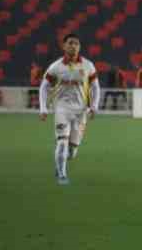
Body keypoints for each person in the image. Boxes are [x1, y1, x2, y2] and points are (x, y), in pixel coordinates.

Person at [39, 34, 99, 185]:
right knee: (62, 143)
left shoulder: (88, 65)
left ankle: (61, 162)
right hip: (62, 109)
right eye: (70, 43)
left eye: (76, 43)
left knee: (72, 151)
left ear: (80, 47)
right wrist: (43, 108)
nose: (73, 46)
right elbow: (44, 87)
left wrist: (94, 106)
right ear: (64, 46)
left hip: (81, 112)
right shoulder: (56, 66)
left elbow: (95, 87)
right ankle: (61, 175)